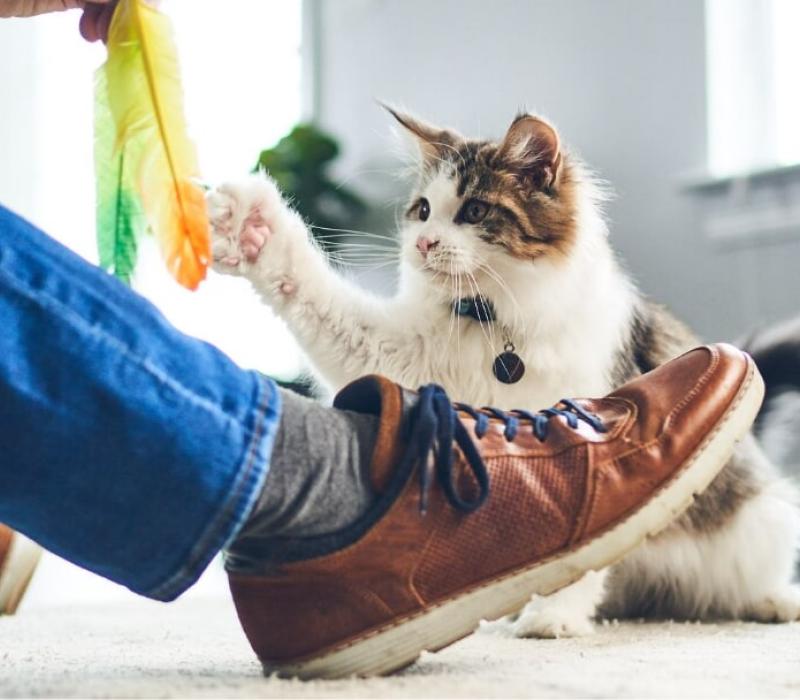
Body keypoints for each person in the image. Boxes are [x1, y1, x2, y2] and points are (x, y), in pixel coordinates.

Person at [0, 0, 764, 679]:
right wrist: (287, 267)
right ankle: (333, 497)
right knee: (390, 385)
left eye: (465, 216)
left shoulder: (590, 307)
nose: (429, 239)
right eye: (423, 213)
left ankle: (338, 490)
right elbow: (384, 363)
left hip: (712, 553)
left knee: (758, 550)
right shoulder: (436, 281)